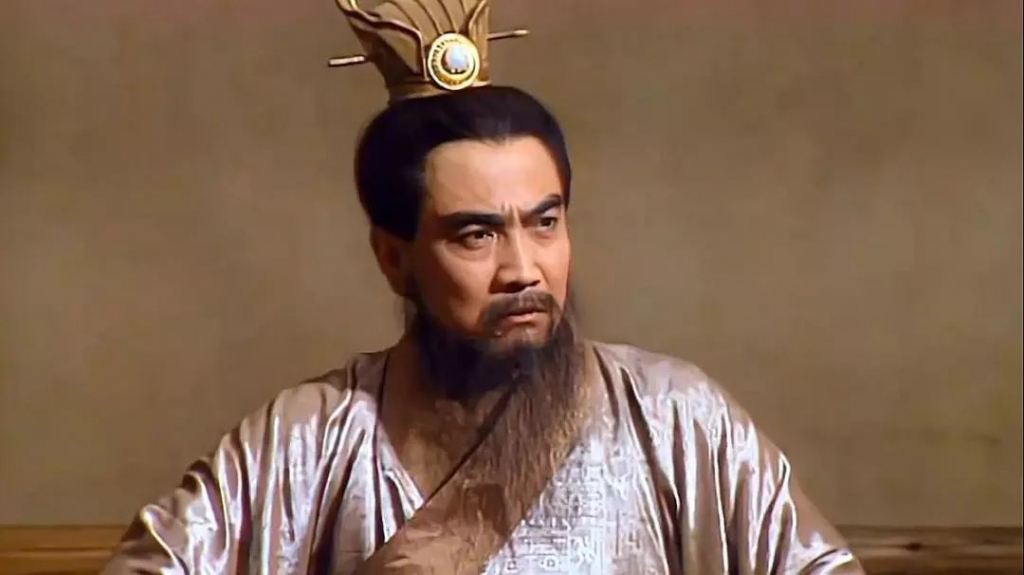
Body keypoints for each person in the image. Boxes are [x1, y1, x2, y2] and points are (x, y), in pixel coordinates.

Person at [104, 0, 863, 573]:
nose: (523, 268)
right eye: (476, 234)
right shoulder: (310, 439)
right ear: (393, 257)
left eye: (545, 223)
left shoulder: (676, 418)